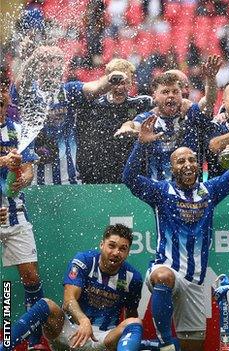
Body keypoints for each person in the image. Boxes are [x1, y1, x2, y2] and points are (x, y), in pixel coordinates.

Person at [122, 116, 229, 351]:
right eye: (180, 161)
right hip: (167, 269)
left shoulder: (209, 190)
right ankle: (165, 343)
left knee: (193, 346)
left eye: (192, 160)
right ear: (172, 168)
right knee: (163, 277)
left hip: (195, 281)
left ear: (199, 165)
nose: (187, 164)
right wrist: (140, 144)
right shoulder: (162, 191)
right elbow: (129, 179)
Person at [1, 224, 144, 351]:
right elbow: (69, 300)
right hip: (69, 333)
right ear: (102, 245)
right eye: (111, 246)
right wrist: (83, 320)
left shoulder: (133, 278)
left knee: (134, 323)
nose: (116, 252)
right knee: (46, 305)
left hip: (103, 340)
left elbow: (131, 314)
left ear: (128, 252)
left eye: (122, 249)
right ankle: (4, 347)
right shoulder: (84, 261)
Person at [11, 45, 131, 185]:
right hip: (33, 180)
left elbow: (96, 87)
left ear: (62, 65)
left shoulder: (69, 91)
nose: (51, 64)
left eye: (56, 59)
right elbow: (20, 83)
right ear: (38, 64)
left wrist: (111, 79)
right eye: (47, 59)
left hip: (68, 179)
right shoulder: (30, 92)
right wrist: (33, 59)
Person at [0, 70, 44, 350]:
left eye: (3, 90)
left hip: (14, 213)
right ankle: (6, 338)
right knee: (5, 286)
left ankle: (34, 342)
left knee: (30, 277)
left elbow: (27, 171)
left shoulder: (16, 130)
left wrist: (22, 174)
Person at [121, 71, 211, 181]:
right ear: (154, 95)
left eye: (175, 92)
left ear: (181, 94)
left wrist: (210, 80)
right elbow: (134, 124)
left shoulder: (191, 113)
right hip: (159, 191)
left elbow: (208, 102)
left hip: (192, 191)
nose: (171, 95)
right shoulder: (149, 119)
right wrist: (126, 127)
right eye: (165, 92)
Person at [75, 58, 152, 184]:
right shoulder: (90, 106)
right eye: (116, 82)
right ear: (107, 81)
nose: (120, 87)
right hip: (96, 179)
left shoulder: (142, 103)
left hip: (132, 178)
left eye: (125, 82)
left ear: (132, 82)